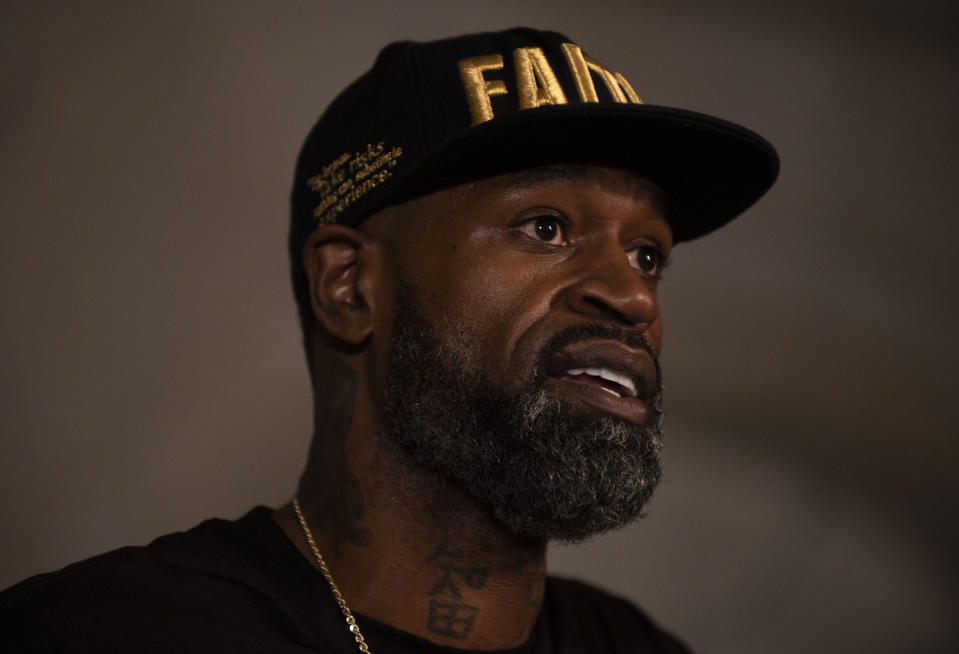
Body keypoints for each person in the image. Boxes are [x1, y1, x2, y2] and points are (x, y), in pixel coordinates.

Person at [0, 27, 777, 653]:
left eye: (648, 255)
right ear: (350, 287)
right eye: (545, 227)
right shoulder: (103, 632)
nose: (633, 294)